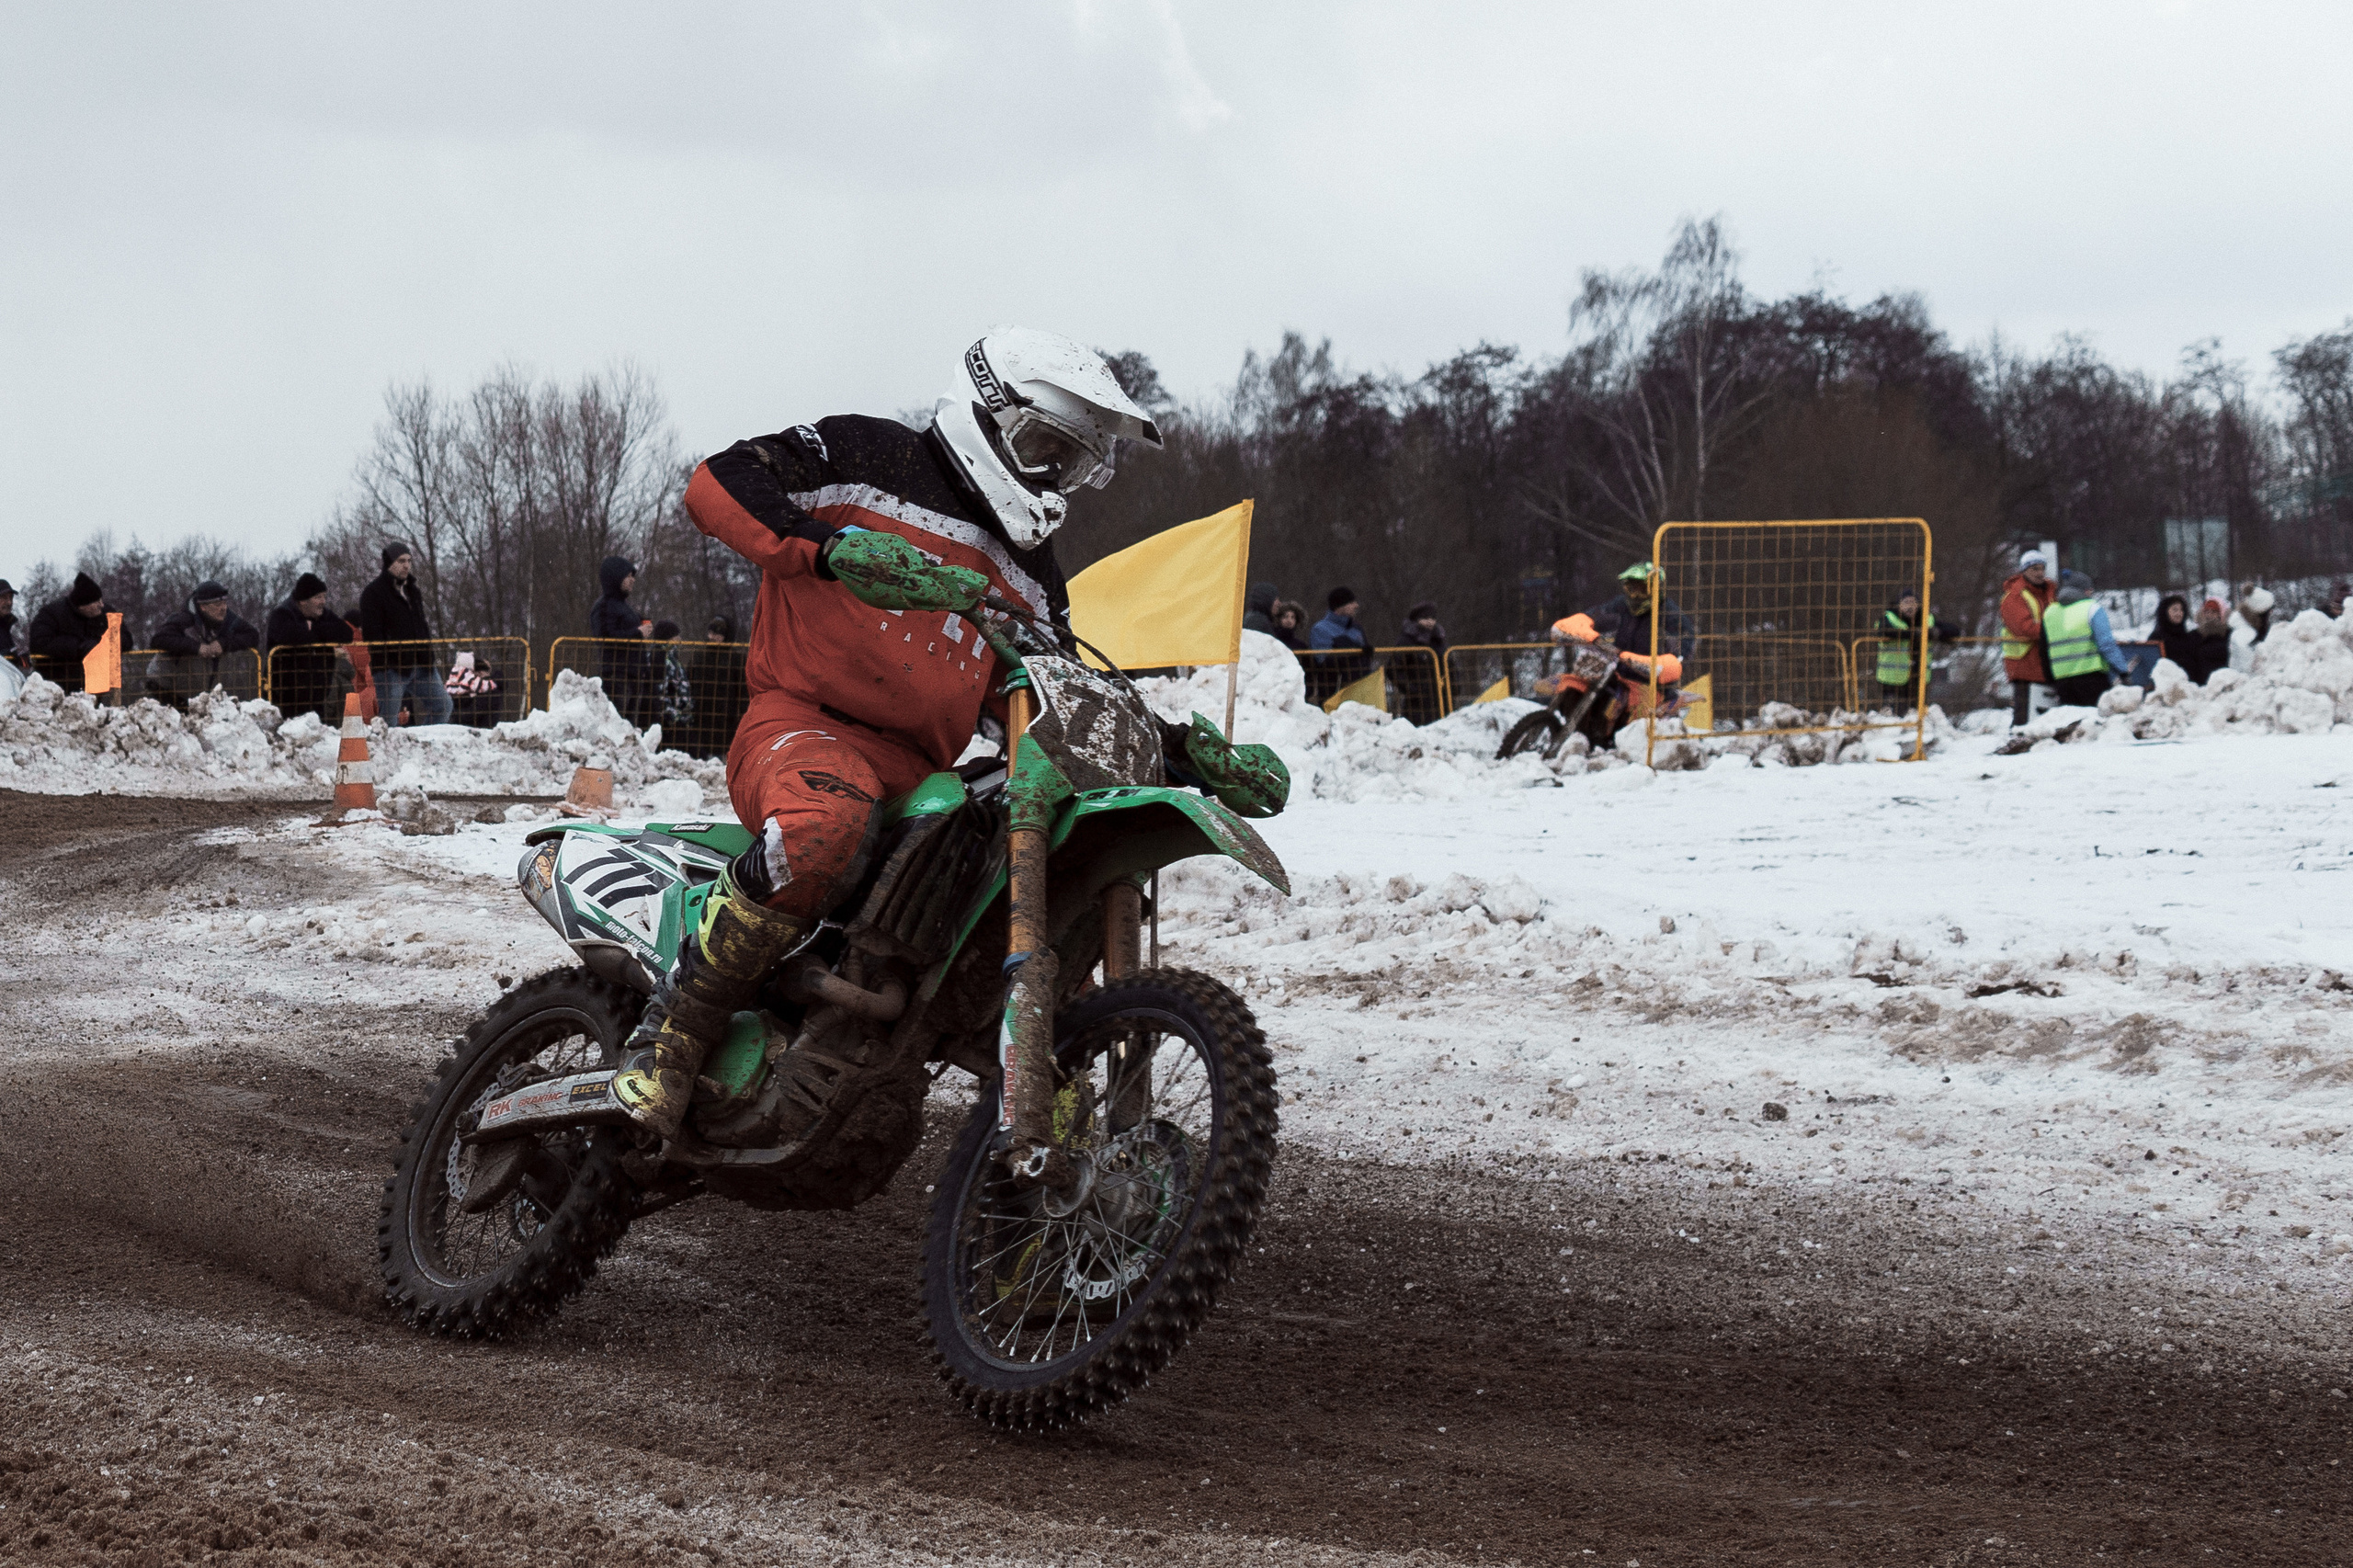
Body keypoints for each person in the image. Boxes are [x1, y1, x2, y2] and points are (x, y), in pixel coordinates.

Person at [608, 328, 1287, 1141]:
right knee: (827, 828)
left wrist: (1186, 753)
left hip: (926, 771)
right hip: (801, 724)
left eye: (1070, 466)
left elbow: (1059, 695)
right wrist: (832, 549)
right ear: (989, 414)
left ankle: (1035, 1112)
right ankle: (676, 1028)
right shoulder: (869, 453)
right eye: (1042, 449)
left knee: (1018, 866)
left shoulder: (1034, 573)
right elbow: (719, 481)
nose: (1050, 479)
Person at [358, 542, 451, 725]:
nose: (406, 565)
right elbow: (372, 635)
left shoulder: (412, 591)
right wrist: (387, 662)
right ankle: (386, 753)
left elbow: (421, 625)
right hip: (392, 669)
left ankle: (424, 746)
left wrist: (428, 653)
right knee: (388, 722)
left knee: (443, 706)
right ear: (388, 563)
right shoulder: (373, 593)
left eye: (409, 560)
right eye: (401, 561)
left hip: (422, 664)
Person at [147, 580, 262, 706]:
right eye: (217, 604)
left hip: (194, 691)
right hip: (164, 686)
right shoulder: (184, 619)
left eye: (224, 603)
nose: (223, 608)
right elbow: (158, 639)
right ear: (203, 607)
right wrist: (197, 648)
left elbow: (252, 635)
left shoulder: (227, 619)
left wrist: (223, 644)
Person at [264, 573, 353, 722]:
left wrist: (314, 628)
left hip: (317, 694)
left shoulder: (323, 615)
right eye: (318, 597)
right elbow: (292, 636)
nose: (323, 602)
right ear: (303, 601)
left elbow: (346, 633)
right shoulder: (282, 614)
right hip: (286, 696)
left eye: (324, 597)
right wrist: (316, 632)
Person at [2041, 569, 2130, 707]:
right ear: (2085, 590)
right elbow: (2106, 644)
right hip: (2092, 678)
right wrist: (2123, 670)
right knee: (2096, 723)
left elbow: (2043, 649)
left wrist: (2051, 679)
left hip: (2063, 681)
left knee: (2073, 724)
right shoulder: (2092, 608)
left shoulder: (2050, 612)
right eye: (2090, 589)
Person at [1997, 550, 2058, 728]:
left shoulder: (2048, 592)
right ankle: (2017, 741)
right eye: (2034, 569)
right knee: (2024, 713)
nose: (2039, 573)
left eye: (2042, 568)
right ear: (2024, 571)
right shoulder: (2014, 596)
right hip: (2024, 663)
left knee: (2044, 711)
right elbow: (2024, 628)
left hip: (2046, 660)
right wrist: (2056, 632)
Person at [590, 555, 653, 729]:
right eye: (628, 576)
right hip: (617, 676)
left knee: (628, 728)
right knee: (616, 726)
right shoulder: (604, 606)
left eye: (633, 576)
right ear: (615, 577)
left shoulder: (624, 606)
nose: (632, 580)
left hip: (633, 675)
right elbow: (605, 638)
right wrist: (637, 633)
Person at [1873, 589, 1955, 714]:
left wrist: (1935, 633)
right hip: (1892, 680)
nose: (1910, 606)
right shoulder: (1889, 618)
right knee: (1893, 715)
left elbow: (1954, 631)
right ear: (1898, 604)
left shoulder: (1927, 619)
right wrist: (1915, 634)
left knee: (1916, 715)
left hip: (1919, 677)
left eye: (1913, 602)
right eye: (1906, 602)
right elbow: (1885, 631)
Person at [28, 573, 110, 690]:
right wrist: (79, 647)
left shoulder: (104, 614)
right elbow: (39, 643)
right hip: (56, 687)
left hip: (93, 686)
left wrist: (101, 644)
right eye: (96, 601)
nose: (101, 605)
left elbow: (124, 638)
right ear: (83, 604)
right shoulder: (51, 614)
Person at [1305, 587, 1372, 704]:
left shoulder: (1357, 628)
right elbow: (1323, 660)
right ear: (1339, 606)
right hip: (1332, 693)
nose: (1356, 605)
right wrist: (1354, 653)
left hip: (1360, 692)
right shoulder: (1320, 629)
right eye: (1351, 602)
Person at [1393, 600, 1449, 722]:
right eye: (1425, 617)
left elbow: (1450, 664)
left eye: (1433, 618)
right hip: (1417, 701)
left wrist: (1454, 687)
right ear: (1417, 619)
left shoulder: (1439, 639)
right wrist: (1411, 690)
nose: (1430, 621)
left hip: (1442, 696)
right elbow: (1394, 669)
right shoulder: (1407, 640)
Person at [651, 619, 695, 733]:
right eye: (676, 636)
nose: (679, 639)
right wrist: (673, 718)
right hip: (671, 722)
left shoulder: (672, 657)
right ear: (667, 637)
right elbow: (659, 693)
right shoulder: (659, 657)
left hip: (682, 718)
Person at [0, 580, 20, 668]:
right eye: (4, 598)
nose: (9, 602)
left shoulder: (5, 627)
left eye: (11, 598)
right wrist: (8, 656)